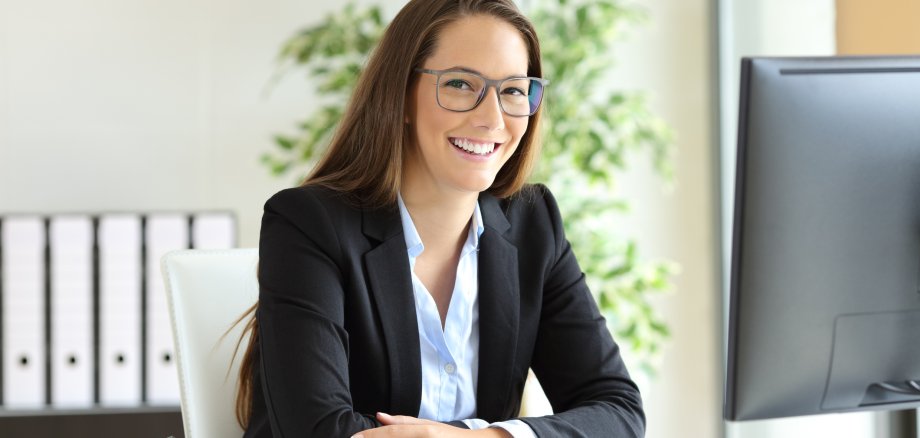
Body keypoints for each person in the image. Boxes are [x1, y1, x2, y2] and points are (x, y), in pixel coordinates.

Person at [235, 0, 645, 436]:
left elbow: (617, 411)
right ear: (402, 95)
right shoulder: (309, 225)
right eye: (459, 84)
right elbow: (317, 430)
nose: (492, 118)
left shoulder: (533, 224)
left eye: (512, 90)